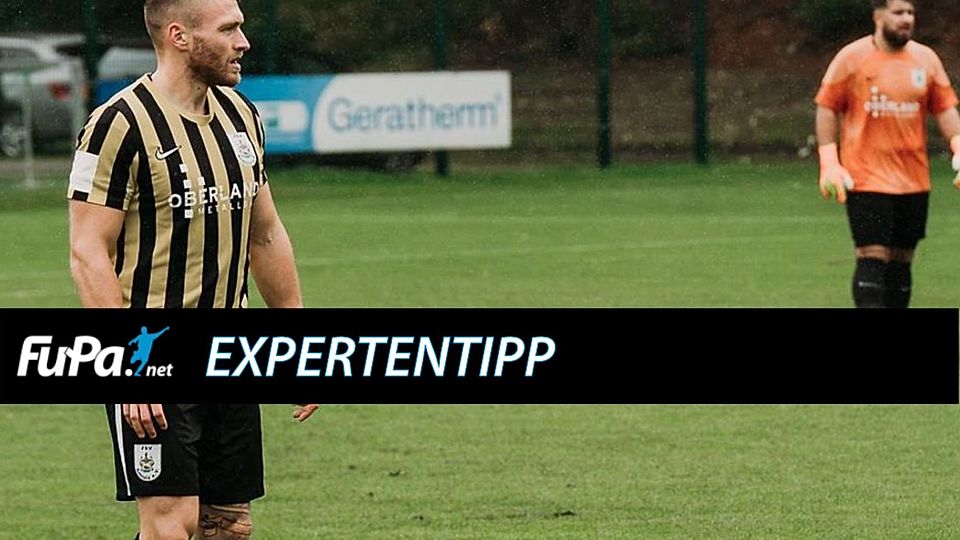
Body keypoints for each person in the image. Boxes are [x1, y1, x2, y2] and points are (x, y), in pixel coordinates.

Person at [66, 1, 319, 538]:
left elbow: (264, 232)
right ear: (179, 36)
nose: (243, 42)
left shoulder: (241, 115)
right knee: (172, 522)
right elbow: (88, 251)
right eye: (229, 29)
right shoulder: (118, 124)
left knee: (229, 525)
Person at [815, 0, 960, 308]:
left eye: (910, 13)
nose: (906, 19)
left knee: (902, 260)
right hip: (867, 177)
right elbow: (827, 106)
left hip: (914, 179)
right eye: (898, 13)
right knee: (872, 255)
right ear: (878, 16)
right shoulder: (852, 57)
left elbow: (945, 108)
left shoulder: (926, 59)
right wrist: (829, 161)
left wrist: (959, 145)